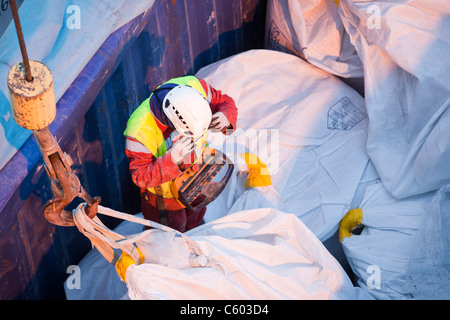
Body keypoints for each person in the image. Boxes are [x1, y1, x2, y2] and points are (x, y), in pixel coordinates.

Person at [124, 75, 237, 232]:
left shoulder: (195, 86)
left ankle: (195, 234)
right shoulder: (139, 132)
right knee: (171, 234)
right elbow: (140, 176)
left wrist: (227, 118)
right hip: (164, 199)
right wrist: (172, 160)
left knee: (196, 217)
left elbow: (224, 102)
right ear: (175, 125)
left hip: (196, 175)